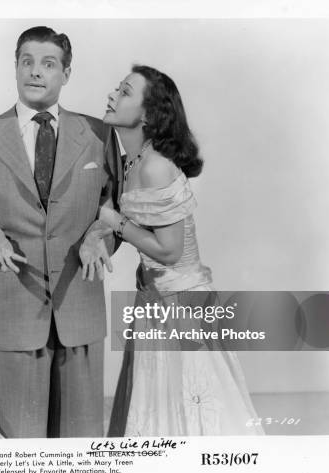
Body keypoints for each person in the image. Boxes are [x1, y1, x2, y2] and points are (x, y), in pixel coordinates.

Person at [0, 26, 121, 438]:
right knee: (21, 444)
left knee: (83, 444)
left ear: (66, 73)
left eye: (48, 63)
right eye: (27, 62)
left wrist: (99, 236)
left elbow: (117, 208)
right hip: (14, 308)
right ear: (15, 68)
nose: (36, 72)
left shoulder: (100, 135)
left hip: (81, 307)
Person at [95, 66, 263, 436]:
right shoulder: (133, 161)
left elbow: (169, 252)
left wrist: (113, 220)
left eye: (124, 92)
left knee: (193, 411)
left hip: (180, 305)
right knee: (158, 409)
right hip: (157, 301)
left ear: (150, 115)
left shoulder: (155, 167)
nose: (111, 96)